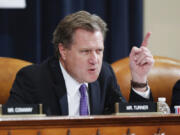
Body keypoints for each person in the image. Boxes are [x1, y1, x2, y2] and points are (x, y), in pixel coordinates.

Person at [5, 11, 154, 116]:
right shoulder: (33, 79)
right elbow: (12, 127)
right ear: (63, 50)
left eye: (99, 50)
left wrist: (139, 80)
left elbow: (131, 122)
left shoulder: (105, 75)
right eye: (86, 51)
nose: (94, 59)